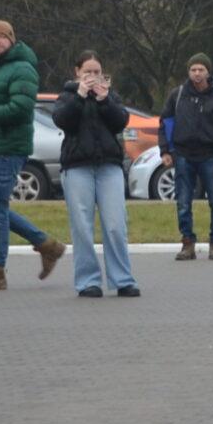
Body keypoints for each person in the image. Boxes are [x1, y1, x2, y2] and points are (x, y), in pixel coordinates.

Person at [0, 19, 64, 293]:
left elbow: (19, 109)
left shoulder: (22, 68)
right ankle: (47, 245)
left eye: (2, 37)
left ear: (11, 40)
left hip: (8, 148)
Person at [53, 51, 138, 299]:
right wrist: (80, 96)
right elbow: (63, 121)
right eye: (87, 71)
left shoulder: (110, 96)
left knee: (115, 225)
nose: (92, 76)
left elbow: (120, 121)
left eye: (96, 72)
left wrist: (104, 101)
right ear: (77, 72)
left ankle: (123, 280)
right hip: (77, 166)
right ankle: (88, 281)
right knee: (82, 225)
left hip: (109, 166)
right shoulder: (68, 95)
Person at [160, 53, 213, 261]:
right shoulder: (177, 95)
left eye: (201, 70)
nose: (197, 73)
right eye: (193, 69)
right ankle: (187, 243)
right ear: (188, 72)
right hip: (183, 155)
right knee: (183, 202)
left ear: (208, 72)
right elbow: (165, 123)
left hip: (211, 156)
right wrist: (165, 151)